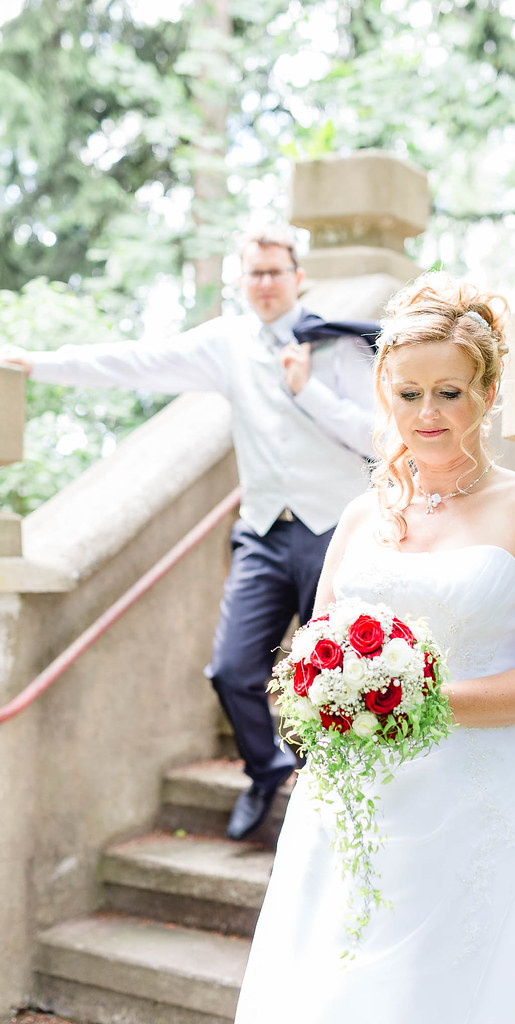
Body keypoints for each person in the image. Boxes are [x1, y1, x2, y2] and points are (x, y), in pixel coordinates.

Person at [234, 272, 515, 1023]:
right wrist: (328, 704)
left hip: (477, 804)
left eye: (448, 392)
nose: (427, 413)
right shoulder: (358, 517)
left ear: (485, 392)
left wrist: (418, 704)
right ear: (385, 392)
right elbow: (312, 658)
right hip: (351, 807)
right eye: (408, 392)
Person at [0, 226, 379, 841]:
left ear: (297, 275)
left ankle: (323, 800)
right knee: (231, 670)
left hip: (334, 532)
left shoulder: (337, 344)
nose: (263, 284)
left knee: (327, 677)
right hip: (261, 532)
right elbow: (136, 362)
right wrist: (38, 364)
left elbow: (376, 439)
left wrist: (307, 392)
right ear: (240, 279)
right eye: (253, 273)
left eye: (274, 271)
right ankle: (266, 768)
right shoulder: (228, 342)